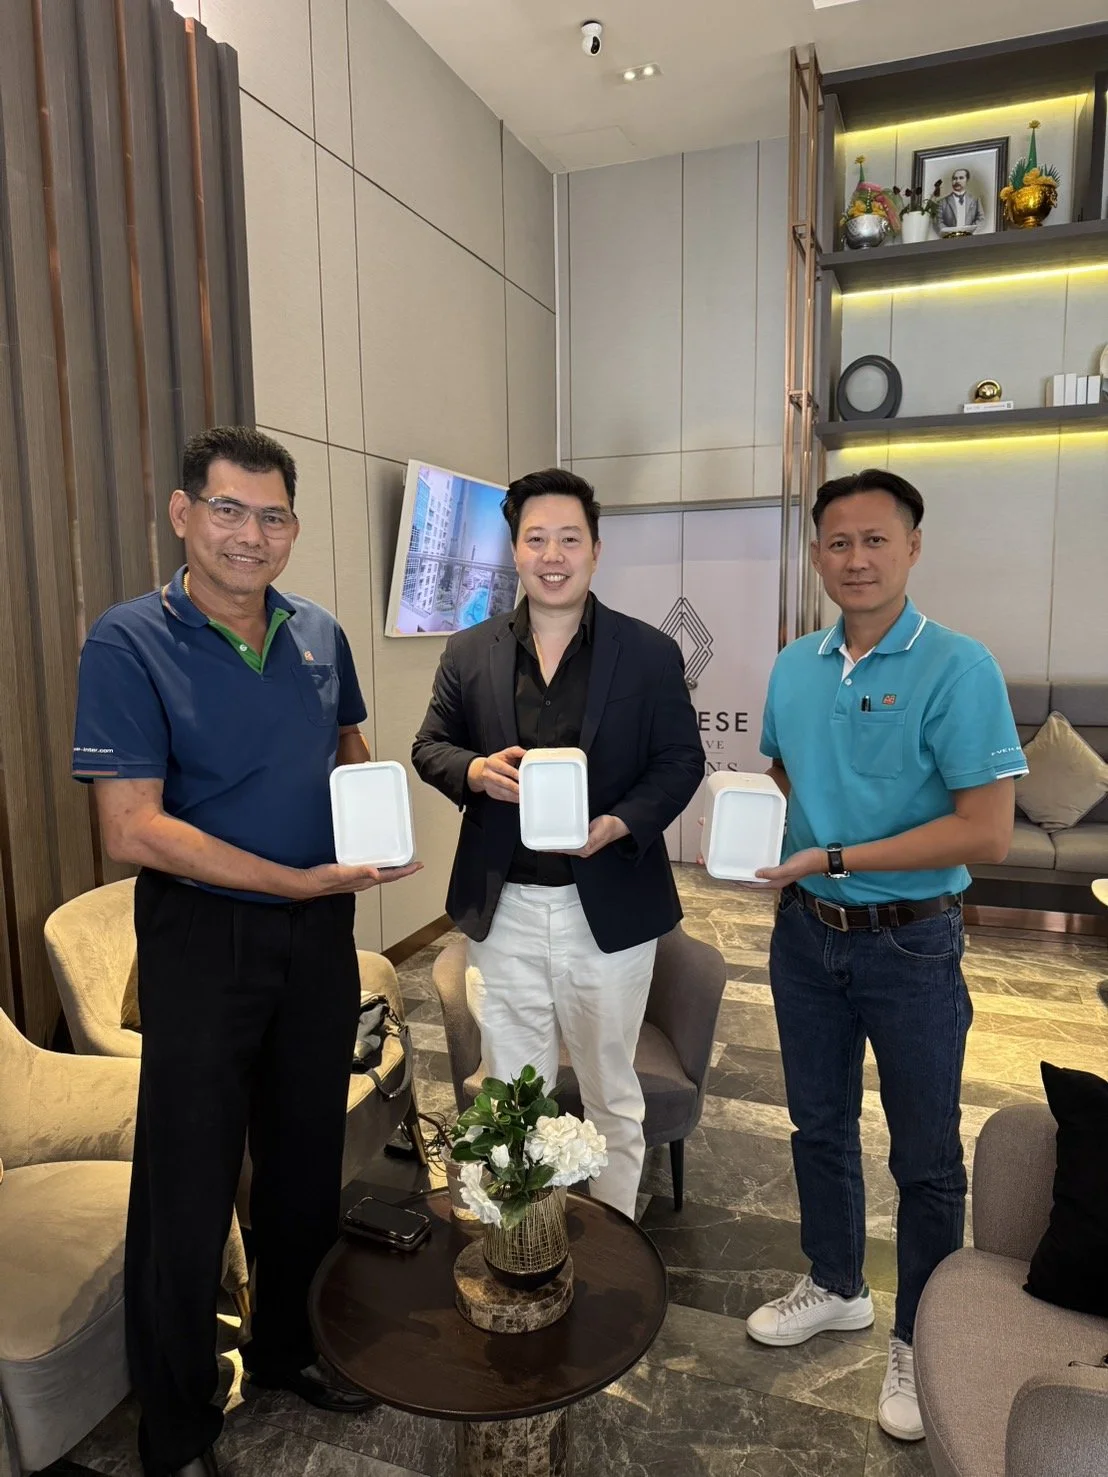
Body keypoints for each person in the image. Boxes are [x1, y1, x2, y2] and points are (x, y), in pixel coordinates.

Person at [71, 427, 421, 1477]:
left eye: (272, 516)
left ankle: (288, 1349)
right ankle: (177, 1426)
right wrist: (290, 879)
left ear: (293, 529)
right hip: (201, 936)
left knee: (306, 1155)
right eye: (227, 510)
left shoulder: (318, 632)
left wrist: (370, 818)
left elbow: (345, 742)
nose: (249, 534)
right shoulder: (128, 640)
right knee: (187, 1181)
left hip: (317, 934)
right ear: (184, 515)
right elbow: (130, 828)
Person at [740, 469, 1025, 1442]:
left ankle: (919, 1335)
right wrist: (797, 850)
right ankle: (836, 1282)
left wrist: (840, 853)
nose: (855, 558)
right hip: (805, 935)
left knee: (926, 1156)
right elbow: (783, 765)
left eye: (874, 539)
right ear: (816, 554)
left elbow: (987, 830)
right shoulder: (794, 665)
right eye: (837, 542)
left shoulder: (958, 666)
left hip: (912, 942)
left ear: (912, 547)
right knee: (816, 1124)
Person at [412, 467, 704, 1219]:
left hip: (606, 907)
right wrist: (475, 771)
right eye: (536, 539)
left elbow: (680, 762)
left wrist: (619, 823)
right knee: (512, 1092)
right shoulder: (469, 651)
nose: (552, 555)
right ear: (515, 550)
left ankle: (613, 1246)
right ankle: (521, 1240)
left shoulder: (647, 652)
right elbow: (430, 746)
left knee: (611, 1089)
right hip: (504, 905)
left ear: (596, 550)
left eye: (569, 539)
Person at [937, 167, 986, 233]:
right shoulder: (942, 202)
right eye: (954, 178)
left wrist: (971, 233)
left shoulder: (975, 200)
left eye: (961, 178)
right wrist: (950, 234)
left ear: (967, 180)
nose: (957, 181)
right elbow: (939, 222)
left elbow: (981, 219)